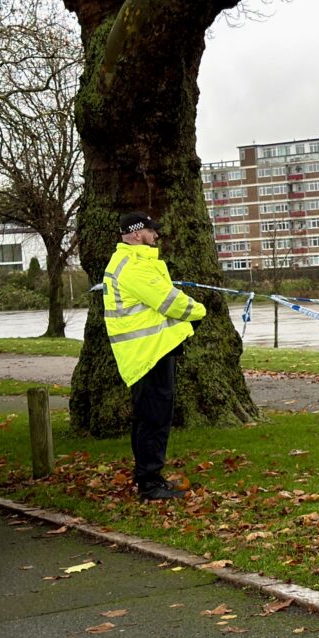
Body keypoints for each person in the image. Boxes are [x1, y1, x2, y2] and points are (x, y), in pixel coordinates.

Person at [101, 210, 206, 501]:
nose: (156, 235)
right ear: (137, 234)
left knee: (147, 418)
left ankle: (149, 477)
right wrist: (200, 311)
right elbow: (168, 301)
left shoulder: (133, 262)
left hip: (149, 351)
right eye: (151, 230)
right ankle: (150, 484)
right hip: (147, 354)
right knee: (154, 419)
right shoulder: (134, 266)